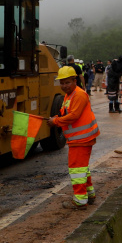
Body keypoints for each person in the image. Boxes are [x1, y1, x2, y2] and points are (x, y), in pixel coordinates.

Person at [48, 66, 100, 209]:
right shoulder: (69, 95)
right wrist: (56, 118)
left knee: (76, 170)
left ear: (74, 80)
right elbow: (66, 113)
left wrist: (56, 121)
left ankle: (80, 201)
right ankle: (89, 195)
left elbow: (73, 116)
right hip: (77, 139)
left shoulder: (79, 94)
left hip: (81, 139)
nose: (64, 86)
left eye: (67, 82)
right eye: (62, 83)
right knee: (82, 169)